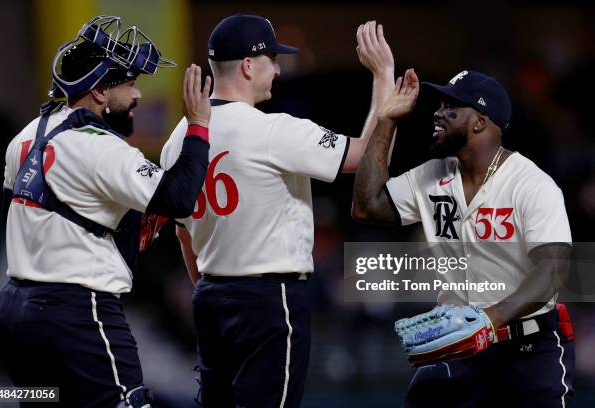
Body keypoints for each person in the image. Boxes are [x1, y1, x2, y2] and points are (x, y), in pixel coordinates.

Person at [160, 15, 395, 408]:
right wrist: (383, 76)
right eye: (272, 58)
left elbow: (183, 233)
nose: (279, 68)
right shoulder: (273, 131)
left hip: (211, 298)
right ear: (249, 66)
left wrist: (209, 289)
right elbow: (368, 157)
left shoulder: (179, 138)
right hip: (268, 300)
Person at [0, 15, 212, 407]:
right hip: (76, 311)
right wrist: (197, 124)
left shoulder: (24, 136)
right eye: (129, 83)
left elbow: (45, 207)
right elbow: (180, 197)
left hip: (13, 314)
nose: (137, 95)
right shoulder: (100, 146)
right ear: (98, 91)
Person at [352, 68, 575, 407]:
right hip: (457, 346)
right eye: (441, 105)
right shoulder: (433, 175)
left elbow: (554, 270)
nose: (437, 114)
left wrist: (488, 319)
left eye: (451, 108)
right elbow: (368, 206)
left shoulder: (531, 184)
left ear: (480, 122)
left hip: (526, 350)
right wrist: (386, 120)